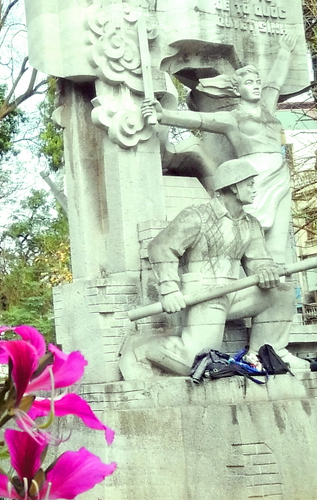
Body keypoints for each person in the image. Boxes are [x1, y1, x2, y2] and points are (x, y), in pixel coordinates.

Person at [120, 159, 292, 379]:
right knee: (196, 363)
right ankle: (141, 348)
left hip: (236, 291)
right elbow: (161, 247)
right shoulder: (197, 216)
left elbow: (258, 260)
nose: (254, 189)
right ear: (234, 186)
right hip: (205, 294)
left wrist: (266, 270)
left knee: (281, 293)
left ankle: (264, 355)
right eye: (250, 184)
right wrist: (169, 288)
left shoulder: (251, 223)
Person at [141, 33, 297, 266]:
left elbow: (275, 81)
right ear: (236, 89)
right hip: (252, 176)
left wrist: (284, 51)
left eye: (257, 82)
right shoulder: (232, 118)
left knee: (278, 239)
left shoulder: (267, 106)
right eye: (249, 83)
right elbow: (200, 120)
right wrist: (164, 115)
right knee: (247, 231)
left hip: (280, 175)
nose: (256, 87)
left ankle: (280, 279)